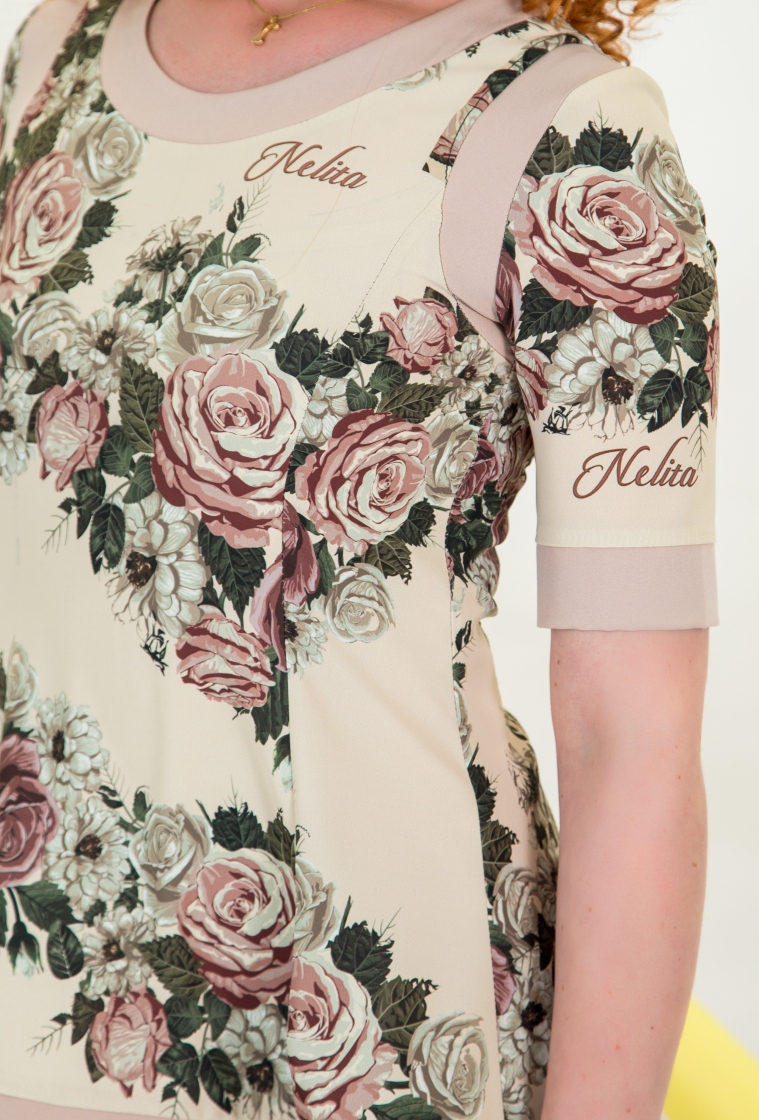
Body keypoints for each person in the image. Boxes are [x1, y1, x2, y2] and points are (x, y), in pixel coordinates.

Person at [0, 0, 717, 1117]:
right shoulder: (59, 50)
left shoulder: (570, 135)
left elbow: (631, 740)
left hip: (367, 1043)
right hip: (34, 994)